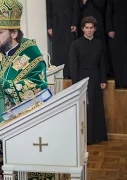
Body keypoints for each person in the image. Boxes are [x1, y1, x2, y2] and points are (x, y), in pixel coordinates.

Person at [0, 0, 48, 179]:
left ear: (14, 33)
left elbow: (39, 89)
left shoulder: (32, 56)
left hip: (20, 132)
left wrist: (2, 83)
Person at [69, 16, 108, 144]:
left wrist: (103, 79)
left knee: (96, 106)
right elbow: (73, 65)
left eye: (91, 28)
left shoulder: (99, 44)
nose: (89, 30)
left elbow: (102, 63)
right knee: (84, 107)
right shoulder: (76, 44)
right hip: (81, 78)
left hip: (96, 77)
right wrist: (76, 84)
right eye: (87, 28)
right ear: (82, 29)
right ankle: (85, 137)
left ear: (95, 29)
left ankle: (97, 136)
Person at [46, 0, 79, 78]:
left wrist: (74, 22)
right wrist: (49, 26)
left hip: (68, 24)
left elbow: (75, 8)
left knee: (69, 49)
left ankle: (69, 73)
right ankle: (58, 74)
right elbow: (48, 11)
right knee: (58, 50)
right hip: (56, 24)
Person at [79, 0, 111, 76]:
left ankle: (104, 72)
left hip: (98, 22)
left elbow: (102, 6)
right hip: (84, 21)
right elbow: (77, 8)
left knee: (100, 46)